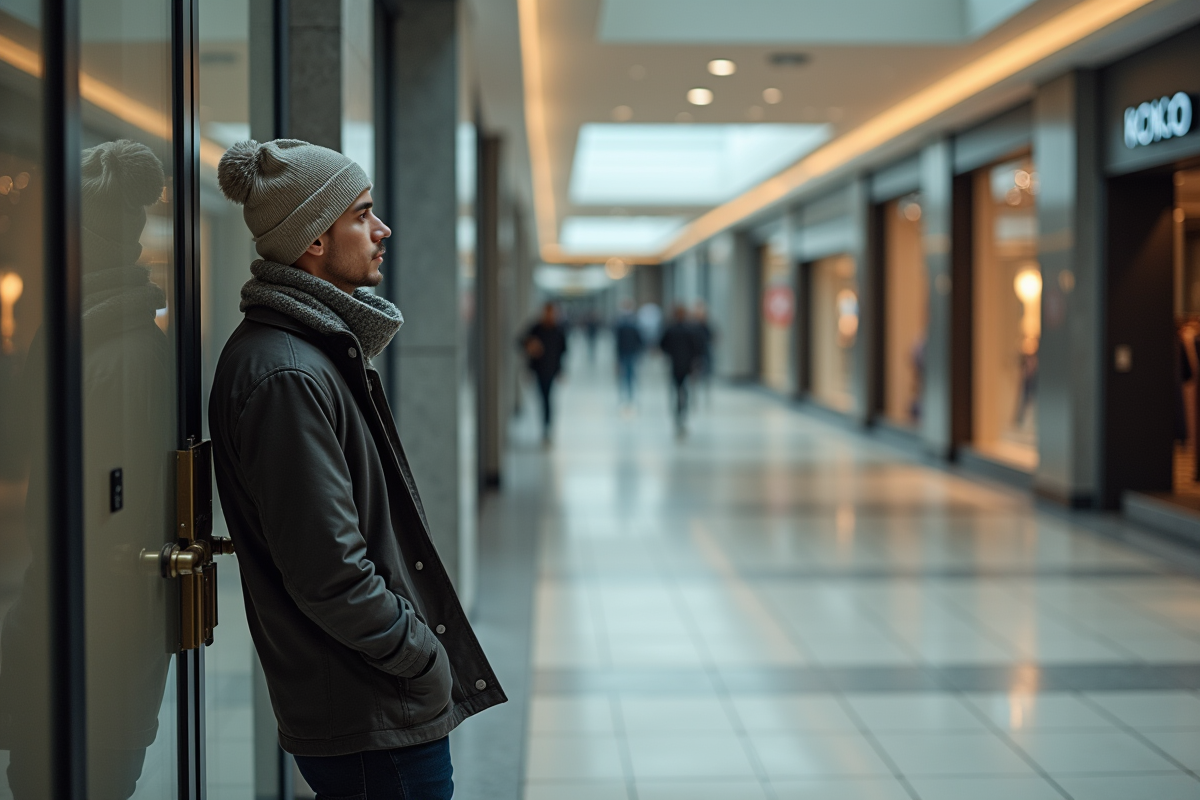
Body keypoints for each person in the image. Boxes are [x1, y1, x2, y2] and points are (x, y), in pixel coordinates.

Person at [208, 139, 505, 800]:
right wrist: (419, 654)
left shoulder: (309, 351)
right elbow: (329, 573)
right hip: (370, 712)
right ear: (315, 238)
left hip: (371, 703)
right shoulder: (287, 372)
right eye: (362, 214)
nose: (382, 229)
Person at [522, 302, 567, 442]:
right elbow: (521, 341)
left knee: (548, 398)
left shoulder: (558, 330)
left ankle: (547, 426)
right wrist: (531, 345)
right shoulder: (536, 328)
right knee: (543, 398)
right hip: (539, 369)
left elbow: (563, 351)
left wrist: (560, 370)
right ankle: (545, 425)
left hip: (552, 369)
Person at [659, 305, 701, 437]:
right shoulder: (690, 330)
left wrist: (670, 354)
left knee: (677, 388)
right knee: (685, 389)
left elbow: (662, 345)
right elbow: (697, 348)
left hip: (675, 364)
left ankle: (678, 411)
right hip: (687, 364)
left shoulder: (670, 329)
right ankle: (683, 410)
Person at [613, 300, 643, 407]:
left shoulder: (624, 322)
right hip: (628, 352)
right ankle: (627, 396)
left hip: (628, 352)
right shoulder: (632, 322)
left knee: (628, 375)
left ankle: (627, 396)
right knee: (628, 375)